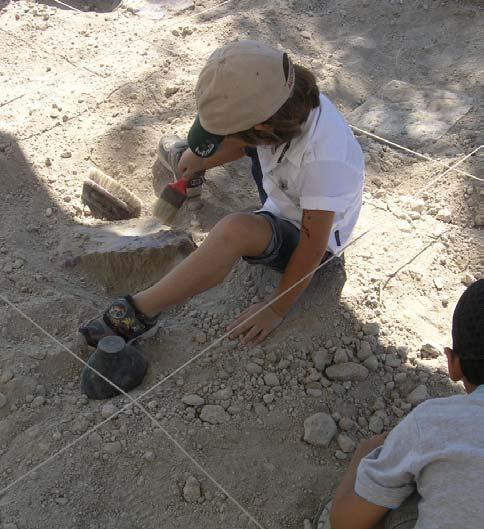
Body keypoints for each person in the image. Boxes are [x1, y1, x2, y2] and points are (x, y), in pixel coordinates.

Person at [79, 40, 364, 347]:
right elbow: (246, 135)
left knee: (234, 230)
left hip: (309, 236)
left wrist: (276, 308)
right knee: (199, 154)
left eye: (225, 134)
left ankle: (139, 312)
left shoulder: (323, 162)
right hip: (283, 185)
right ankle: (192, 159)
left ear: (265, 129)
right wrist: (201, 156)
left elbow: (312, 244)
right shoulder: (279, 95)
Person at [313, 279, 484, 529]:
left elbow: (344, 522)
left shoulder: (432, 421)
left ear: (453, 364)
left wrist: (362, 454)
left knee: (404, 499)